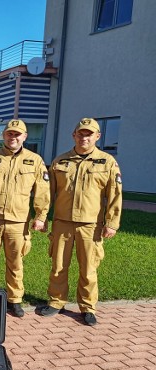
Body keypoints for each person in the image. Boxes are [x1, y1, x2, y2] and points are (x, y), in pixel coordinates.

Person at [40, 118, 122, 326]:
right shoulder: (60, 161)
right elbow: (47, 194)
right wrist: (42, 217)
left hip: (90, 225)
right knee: (58, 266)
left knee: (89, 268)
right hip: (62, 222)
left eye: (89, 133)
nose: (84, 137)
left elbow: (115, 194)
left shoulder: (107, 162)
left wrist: (111, 222)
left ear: (97, 136)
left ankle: (87, 307)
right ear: (74, 135)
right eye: (81, 133)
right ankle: (57, 301)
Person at [0, 119, 50, 317]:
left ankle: (14, 300)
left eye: (17, 134)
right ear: (4, 135)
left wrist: (41, 216)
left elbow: (42, 191)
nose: (13, 137)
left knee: (15, 262)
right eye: (10, 133)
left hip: (18, 221)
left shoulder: (35, 160)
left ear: (24, 137)